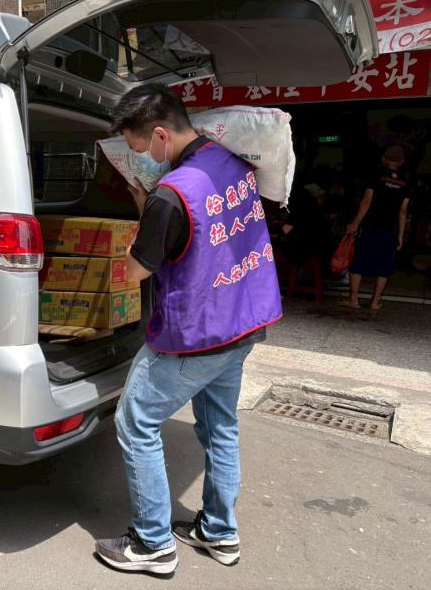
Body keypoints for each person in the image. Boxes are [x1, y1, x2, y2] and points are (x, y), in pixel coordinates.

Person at [94, 84, 282, 576]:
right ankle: (219, 532)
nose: (140, 160)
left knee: (135, 423)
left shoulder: (171, 196)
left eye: (139, 151)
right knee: (220, 428)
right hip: (243, 322)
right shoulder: (232, 162)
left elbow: (138, 269)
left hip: (195, 335)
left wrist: (143, 206)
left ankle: (152, 543)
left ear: (160, 135)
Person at [341, 145, 411, 310]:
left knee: (358, 261)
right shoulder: (406, 182)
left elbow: (367, 201)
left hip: (370, 226)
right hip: (390, 229)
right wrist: (400, 235)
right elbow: (403, 211)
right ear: (401, 162)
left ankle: (354, 299)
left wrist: (355, 223)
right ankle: (375, 301)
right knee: (384, 266)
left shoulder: (375, 175)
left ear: (383, 159)